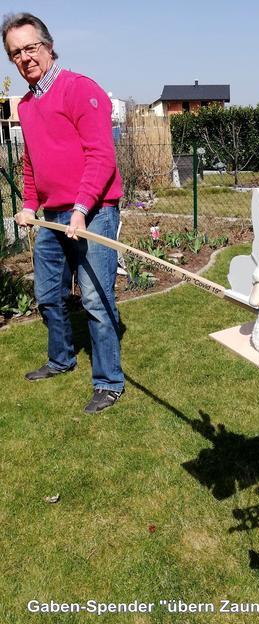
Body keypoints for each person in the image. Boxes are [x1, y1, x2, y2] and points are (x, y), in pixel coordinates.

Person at [2, 12, 125, 414]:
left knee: (94, 296)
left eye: (30, 48)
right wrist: (27, 206)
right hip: (50, 216)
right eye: (15, 53)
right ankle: (61, 359)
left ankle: (108, 382)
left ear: (49, 46)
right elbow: (33, 164)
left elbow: (101, 156)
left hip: (95, 211)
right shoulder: (29, 106)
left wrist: (80, 208)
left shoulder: (79, 89)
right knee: (49, 295)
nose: (25, 58)